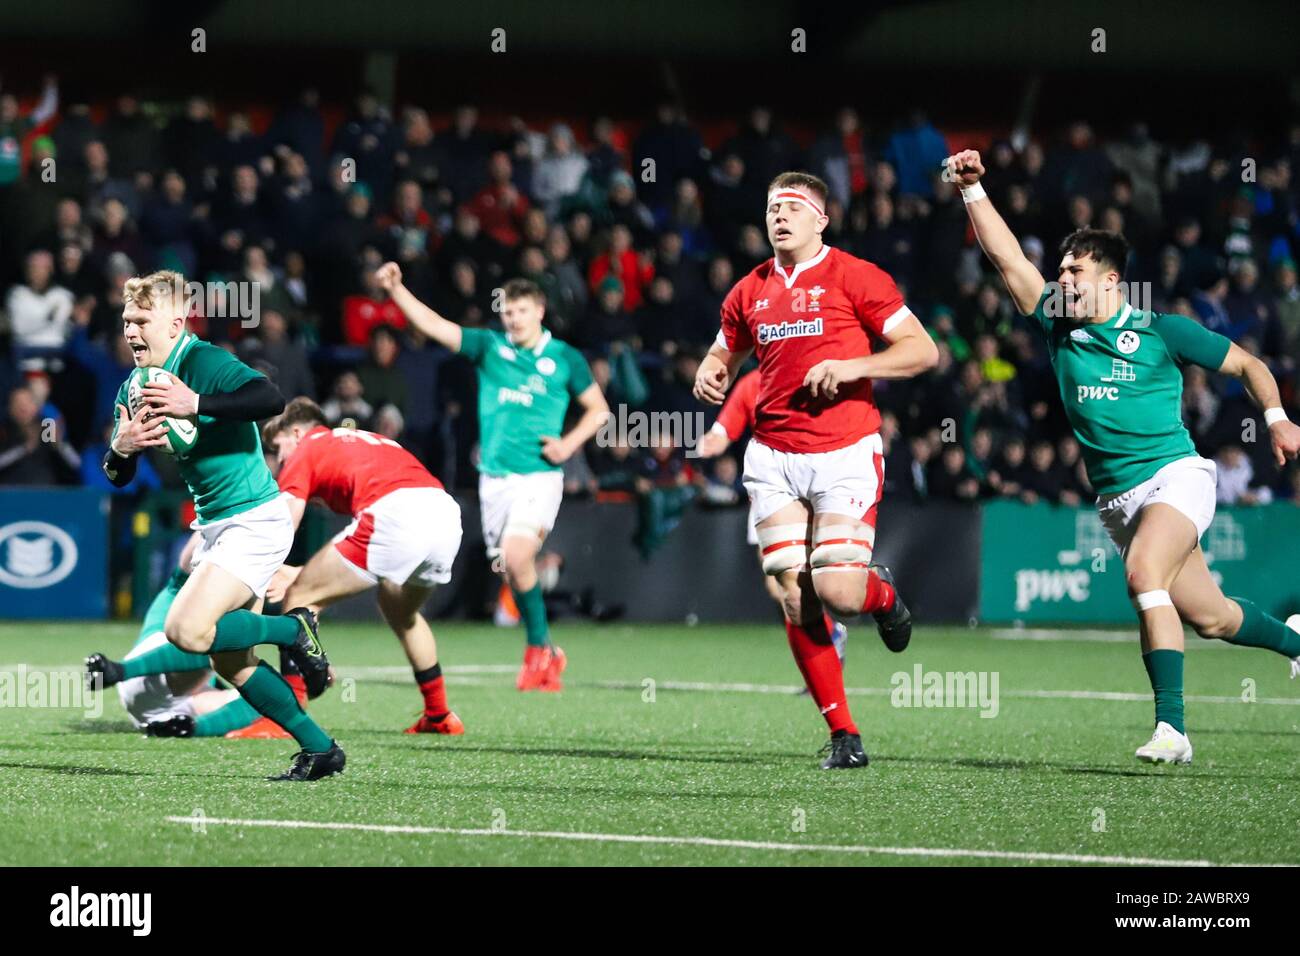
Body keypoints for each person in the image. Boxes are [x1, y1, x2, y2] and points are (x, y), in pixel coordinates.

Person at [947, 148, 1300, 766]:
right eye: (1060, 270)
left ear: (1110, 280)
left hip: (1176, 477)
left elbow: (1248, 363)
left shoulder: (1163, 329)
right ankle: (1293, 639)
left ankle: (1173, 730)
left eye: (1074, 271)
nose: (1062, 280)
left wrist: (1276, 417)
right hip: (1117, 499)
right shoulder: (1059, 326)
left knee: (1142, 575)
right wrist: (975, 191)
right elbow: (1007, 259)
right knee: (1213, 618)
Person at [693, 172, 938, 770]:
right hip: (773, 456)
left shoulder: (857, 275)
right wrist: (710, 368)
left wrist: (852, 366)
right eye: (772, 206)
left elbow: (923, 350)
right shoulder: (749, 290)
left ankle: (882, 599)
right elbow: (727, 348)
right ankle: (844, 735)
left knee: (838, 593)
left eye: (793, 207)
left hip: (844, 452)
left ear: (820, 219)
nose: (779, 216)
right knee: (791, 592)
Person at [99, 270, 343, 780]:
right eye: (126, 321)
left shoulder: (202, 361)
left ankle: (291, 628)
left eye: (141, 320)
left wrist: (197, 403)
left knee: (186, 629)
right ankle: (320, 748)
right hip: (218, 526)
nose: (131, 331)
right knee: (230, 663)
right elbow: (119, 475)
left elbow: (269, 400)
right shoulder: (134, 385)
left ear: (175, 321)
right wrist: (119, 451)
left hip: (254, 518)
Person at [376, 264, 610, 690]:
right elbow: (434, 325)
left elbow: (599, 410)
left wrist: (566, 445)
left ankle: (538, 651)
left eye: (521, 310)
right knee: (509, 567)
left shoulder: (565, 358)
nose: (513, 318)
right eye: (508, 311)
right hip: (495, 481)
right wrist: (397, 290)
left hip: (538, 476)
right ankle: (548, 649)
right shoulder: (489, 347)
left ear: (540, 311)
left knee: (518, 557)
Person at [261, 397, 465, 734]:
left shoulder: (307, 448)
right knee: (400, 610)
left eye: (278, 446)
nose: (279, 458)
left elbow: (285, 523)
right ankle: (440, 715)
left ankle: (285, 718)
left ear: (296, 433)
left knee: (298, 599)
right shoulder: (364, 439)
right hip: (444, 514)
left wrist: (267, 567)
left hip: (396, 515)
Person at [696, 368, 848, 672]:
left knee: (813, 581)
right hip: (770, 488)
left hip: (810, 485)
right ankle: (828, 636)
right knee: (776, 586)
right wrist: (713, 439)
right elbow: (726, 427)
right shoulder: (752, 383)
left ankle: (827, 642)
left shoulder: (814, 374)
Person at [84, 534, 306, 739]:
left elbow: (189, 560)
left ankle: (117, 672)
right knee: (224, 649)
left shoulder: (180, 594)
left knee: (222, 648)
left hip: (156, 705)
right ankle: (186, 725)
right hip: (156, 706)